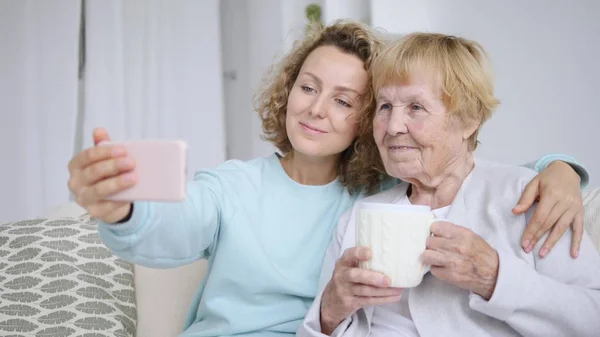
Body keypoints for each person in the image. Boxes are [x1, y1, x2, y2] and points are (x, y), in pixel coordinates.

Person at [67, 21, 589, 337]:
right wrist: (126, 207)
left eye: (344, 100)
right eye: (307, 87)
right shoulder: (244, 187)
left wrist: (561, 170)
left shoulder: (380, 198)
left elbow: (468, 168)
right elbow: (177, 222)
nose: (316, 110)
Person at [298, 32, 600, 337]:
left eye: (416, 107)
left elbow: (593, 317)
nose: (392, 127)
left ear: (467, 120)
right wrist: (329, 311)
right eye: (385, 106)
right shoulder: (359, 217)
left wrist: (496, 278)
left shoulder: (531, 197)